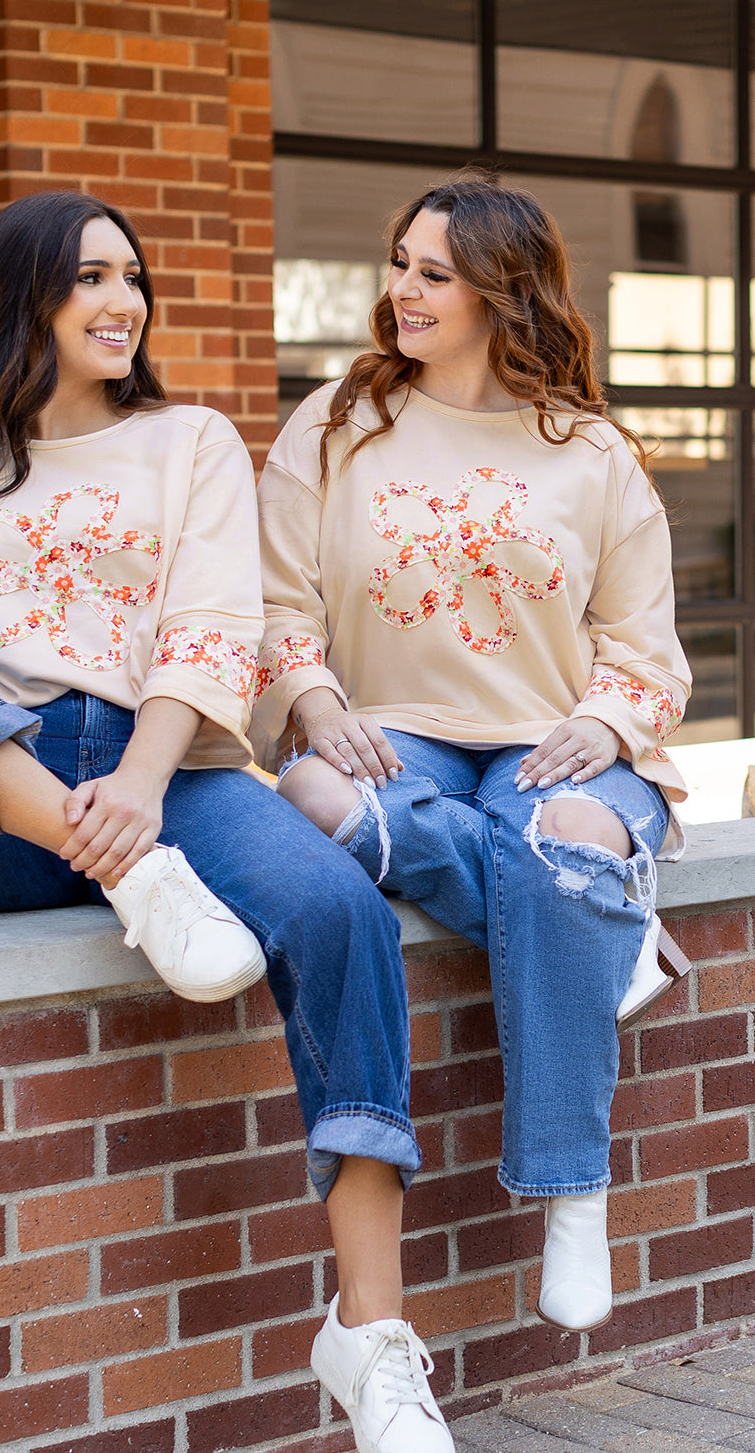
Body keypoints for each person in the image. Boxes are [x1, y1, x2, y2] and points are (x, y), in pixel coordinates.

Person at [0, 191, 456, 1453]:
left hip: (169, 776)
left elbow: (211, 627)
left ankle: (369, 1338)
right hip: (6, 818)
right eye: (90, 276)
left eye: (131, 277)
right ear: (18, 296)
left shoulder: (187, 439)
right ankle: (135, 883)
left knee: (337, 912)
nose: (123, 300)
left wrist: (138, 792)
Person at [253, 174, 691, 1343]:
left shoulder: (590, 451)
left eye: (429, 273)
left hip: (554, 738)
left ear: (501, 290)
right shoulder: (337, 425)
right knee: (308, 792)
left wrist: (605, 723)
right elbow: (272, 596)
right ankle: (603, 925)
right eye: (397, 262)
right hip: (393, 728)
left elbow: (643, 645)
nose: (399, 290)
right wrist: (308, 690)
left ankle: (570, 1189)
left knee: (562, 829)